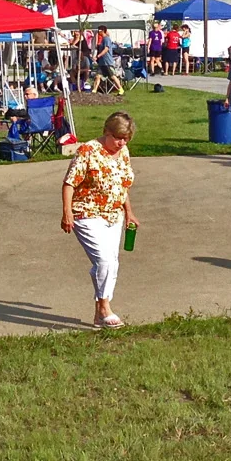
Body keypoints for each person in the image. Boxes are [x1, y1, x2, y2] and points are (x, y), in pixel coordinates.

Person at [60, 112, 138, 329]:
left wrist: (129, 212)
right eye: (118, 137)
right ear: (106, 131)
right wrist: (67, 212)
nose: (121, 143)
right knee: (104, 261)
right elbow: (69, 183)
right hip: (86, 213)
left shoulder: (123, 152)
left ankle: (99, 313)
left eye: (126, 139)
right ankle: (105, 308)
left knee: (111, 263)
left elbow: (121, 185)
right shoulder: (88, 150)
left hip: (114, 215)